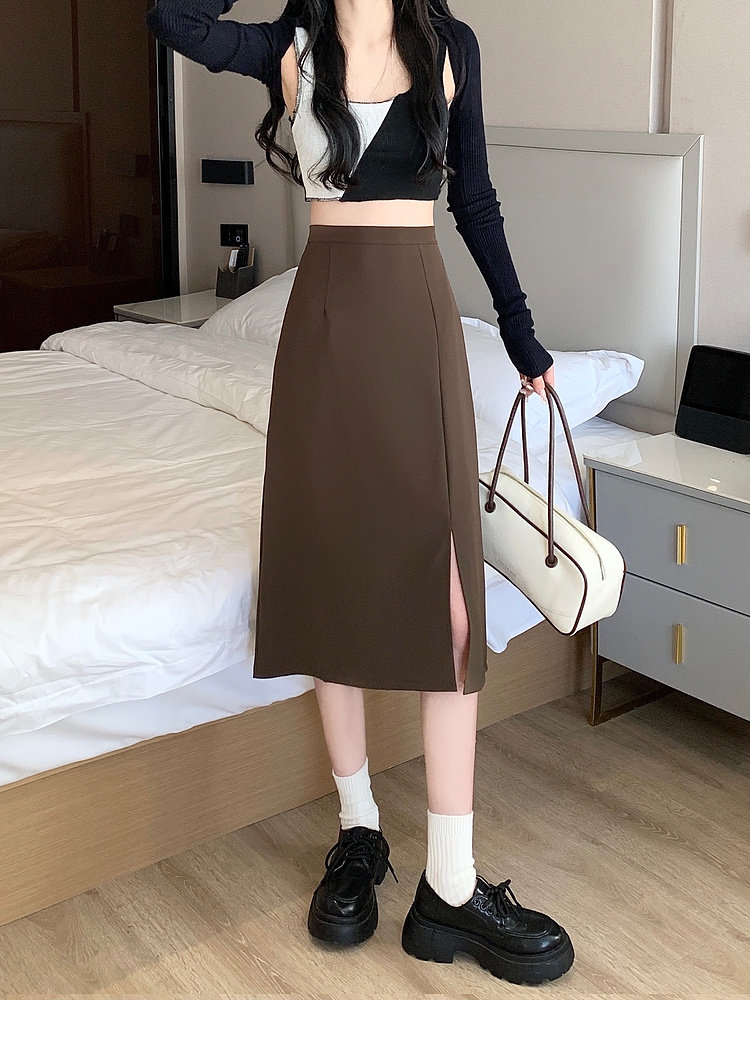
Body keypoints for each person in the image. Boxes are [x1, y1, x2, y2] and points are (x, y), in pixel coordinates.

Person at [145, 0, 574, 986]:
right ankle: (359, 830)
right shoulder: (288, 48)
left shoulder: (449, 49)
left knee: (452, 609)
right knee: (329, 579)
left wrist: (519, 332)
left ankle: (451, 886)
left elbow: (476, 202)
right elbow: (171, 17)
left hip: (416, 328)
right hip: (325, 333)